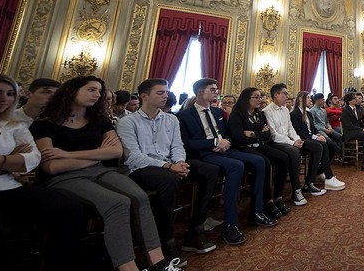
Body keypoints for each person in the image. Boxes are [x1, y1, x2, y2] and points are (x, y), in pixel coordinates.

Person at [30, 75, 182, 271]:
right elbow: (51, 167)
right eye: (91, 89)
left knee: (140, 197)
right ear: (72, 91)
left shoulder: (98, 120)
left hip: (100, 171)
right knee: (118, 203)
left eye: (99, 91)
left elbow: (116, 151)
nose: (97, 95)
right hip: (64, 177)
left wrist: (67, 154)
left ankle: (159, 262)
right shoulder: (44, 124)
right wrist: (97, 154)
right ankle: (128, 267)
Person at [0, 73, 84, 271]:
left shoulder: (13, 126)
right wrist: (7, 163)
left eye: (10, 94)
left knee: (69, 208)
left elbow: (31, 159)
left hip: (9, 186)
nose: (4, 99)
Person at [117, 78, 221, 262]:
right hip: (141, 168)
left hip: (170, 162)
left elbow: (177, 145)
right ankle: (166, 240)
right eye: (160, 93)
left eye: (166, 92)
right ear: (144, 96)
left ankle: (195, 229)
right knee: (168, 180)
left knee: (210, 170)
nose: (165, 96)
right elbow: (133, 156)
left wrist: (180, 162)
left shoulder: (171, 119)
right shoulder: (128, 122)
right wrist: (168, 166)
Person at [175, 78, 274, 236]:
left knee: (260, 161)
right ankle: (230, 224)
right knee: (237, 166)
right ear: (200, 92)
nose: (217, 92)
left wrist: (226, 141)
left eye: (216, 89)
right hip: (205, 153)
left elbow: (227, 132)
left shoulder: (218, 112)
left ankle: (256, 211)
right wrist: (214, 142)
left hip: (226, 149)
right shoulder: (184, 115)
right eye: (212, 89)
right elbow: (187, 143)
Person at [227, 87, 291, 219]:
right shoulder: (237, 114)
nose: (260, 100)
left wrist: (252, 133)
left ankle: (278, 196)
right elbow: (238, 137)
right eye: (256, 97)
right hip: (243, 147)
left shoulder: (259, 114)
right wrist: (259, 133)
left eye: (260, 97)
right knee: (265, 162)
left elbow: (267, 135)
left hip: (259, 144)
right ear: (246, 99)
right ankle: (267, 201)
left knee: (283, 158)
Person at [262, 83, 308, 205]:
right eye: (285, 93)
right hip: (274, 142)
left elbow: (290, 128)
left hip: (286, 140)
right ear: (276, 95)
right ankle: (296, 190)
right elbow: (273, 135)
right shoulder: (267, 111)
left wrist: (297, 139)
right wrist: (292, 143)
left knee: (294, 149)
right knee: (293, 151)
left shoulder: (285, 110)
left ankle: (296, 189)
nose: (287, 96)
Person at [290, 92, 345, 190]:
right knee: (322, 145)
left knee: (331, 147)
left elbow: (313, 128)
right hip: (302, 139)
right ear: (300, 99)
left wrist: (318, 135)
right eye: (307, 98)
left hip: (311, 137)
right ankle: (327, 177)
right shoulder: (294, 114)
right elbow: (299, 131)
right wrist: (315, 137)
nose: (310, 99)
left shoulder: (309, 113)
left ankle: (319, 173)